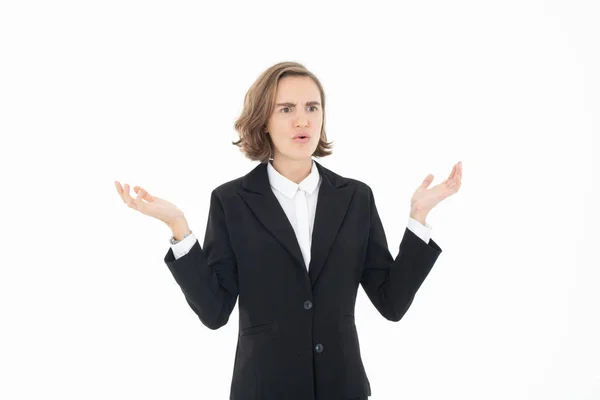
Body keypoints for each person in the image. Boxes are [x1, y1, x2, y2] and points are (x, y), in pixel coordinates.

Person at [114, 61, 462, 400]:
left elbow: (392, 302)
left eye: (313, 107)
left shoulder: (356, 197)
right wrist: (178, 227)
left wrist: (418, 216)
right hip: (264, 389)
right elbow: (214, 311)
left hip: (342, 388)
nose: (302, 119)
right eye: (286, 109)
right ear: (263, 121)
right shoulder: (231, 201)